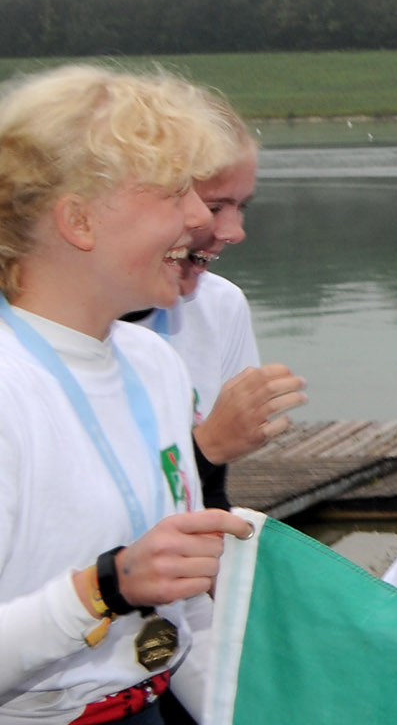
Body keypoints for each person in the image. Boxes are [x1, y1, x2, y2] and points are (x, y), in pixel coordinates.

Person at [0, 65, 258, 725]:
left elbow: (181, 618)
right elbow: (126, 584)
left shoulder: (152, 363)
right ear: (75, 220)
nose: (202, 220)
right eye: (172, 195)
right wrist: (103, 586)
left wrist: (284, 723)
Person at [127, 92, 307, 510]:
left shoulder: (219, 305)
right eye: (213, 206)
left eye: (242, 207)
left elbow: (210, 500)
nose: (234, 231)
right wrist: (207, 447)